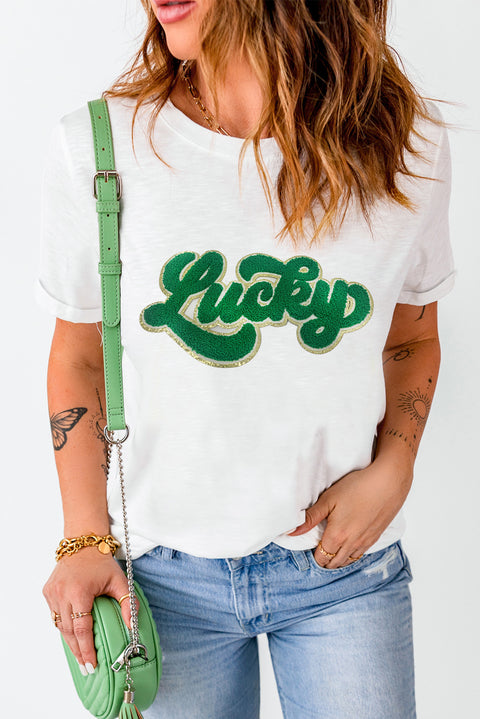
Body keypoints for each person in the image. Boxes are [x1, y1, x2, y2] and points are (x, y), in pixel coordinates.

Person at [37, 1, 455, 717]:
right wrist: (83, 536)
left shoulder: (406, 145)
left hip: (344, 570)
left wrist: (397, 464)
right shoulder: (101, 147)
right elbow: (78, 355)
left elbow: (411, 337)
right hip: (161, 583)